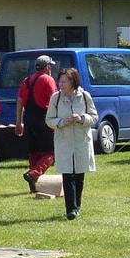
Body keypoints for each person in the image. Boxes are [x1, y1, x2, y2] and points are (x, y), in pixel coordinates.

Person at [46, 66, 97, 220]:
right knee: (68, 174)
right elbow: (49, 120)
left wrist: (81, 119)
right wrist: (62, 122)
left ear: (73, 81)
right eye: (59, 81)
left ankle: (77, 206)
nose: (61, 84)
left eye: (64, 81)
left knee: (79, 173)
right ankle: (71, 209)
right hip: (64, 140)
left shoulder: (85, 96)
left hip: (81, 140)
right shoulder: (56, 98)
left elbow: (94, 117)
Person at [16, 55, 57, 192]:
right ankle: (33, 174)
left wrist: (18, 122)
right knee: (52, 152)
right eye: (50, 66)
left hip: (28, 119)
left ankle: (34, 186)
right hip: (43, 119)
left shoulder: (26, 81)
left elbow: (20, 102)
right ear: (47, 67)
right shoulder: (48, 79)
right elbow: (54, 100)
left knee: (34, 153)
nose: (51, 68)